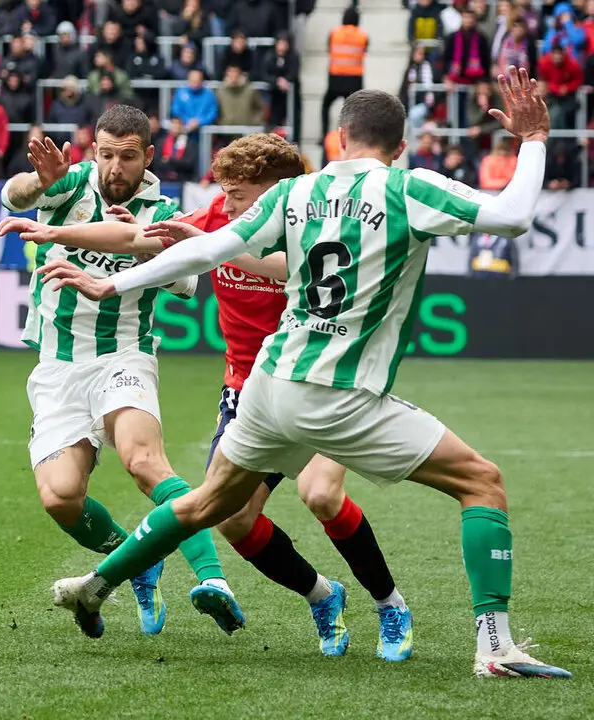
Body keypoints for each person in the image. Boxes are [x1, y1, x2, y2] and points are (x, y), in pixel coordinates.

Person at [40, 71, 573, 680]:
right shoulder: (410, 187)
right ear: (400, 146)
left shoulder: (295, 193)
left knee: (209, 503)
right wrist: (534, 139)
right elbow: (512, 216)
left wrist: (110, 283)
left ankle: (95, 585)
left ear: (338, 138)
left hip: (267, 386)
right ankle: (495, 646)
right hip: (338, 394)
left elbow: (205, 249)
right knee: (481, 482)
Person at [0, 133, 415, 661]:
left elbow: (292, 267)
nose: (228, 204)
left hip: (323, 376)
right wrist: (54, 231)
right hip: (249, 389)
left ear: (277, 191)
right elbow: (137, 238)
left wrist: (220, 244)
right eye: (226, 192)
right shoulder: (216, 215)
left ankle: (389, 605)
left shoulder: (311, 218)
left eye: (239, 195)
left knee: (321, 494)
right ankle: (322, 596)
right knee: (232, 516)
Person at [0, 104, 246, 639]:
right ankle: (133, 563)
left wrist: (144, 249)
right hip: (59, 366)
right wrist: (39, 182)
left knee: (144, 462)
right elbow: (14, 196)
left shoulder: (162, 210)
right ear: (94, 151)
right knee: (60, 497)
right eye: (106, 155)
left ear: (148, 156)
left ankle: (214, 579)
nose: (115, 167)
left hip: (124, 357)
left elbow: (186, 284)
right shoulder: (70, 185)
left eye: (127, 157)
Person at [322, 6, 366, 142]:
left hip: (336, 78)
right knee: (356, 111)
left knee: (326, 105)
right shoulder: (362, 36)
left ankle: (324, 135)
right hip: (354, 80)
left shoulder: (334, 33)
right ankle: (355, 136)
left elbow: (329, 49)